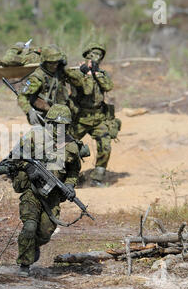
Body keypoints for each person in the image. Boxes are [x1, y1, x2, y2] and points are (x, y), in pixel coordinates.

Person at [10, 104, 81, 277]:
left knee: (46, 232)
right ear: (49, 123)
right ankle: (24, 266)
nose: (59, 129)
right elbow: (14, 157)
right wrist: (29, 168)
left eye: (63, 125)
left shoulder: (71, 146)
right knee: (29, 226)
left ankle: (32, 247)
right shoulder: (35, 136)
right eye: (55, 125)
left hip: (53, 195)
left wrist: (70, 186)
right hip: (31, 190)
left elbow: (73, 171)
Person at [67, 42, 121, 187]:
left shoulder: (101, 74)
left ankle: (97, 177)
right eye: (94, 54)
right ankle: (69, 176)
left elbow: (108, 86)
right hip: (80, 118)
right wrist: (86, 74)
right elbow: (86, 90)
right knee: (68, 146)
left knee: (105, 146)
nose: (97, 57)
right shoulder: (77, 72)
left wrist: (96, 74)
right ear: (87, 55)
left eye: (100, 55)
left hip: (98, 118)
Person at [16, 44, 71, 126]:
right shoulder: (37, 77)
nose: (55, 65)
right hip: (44, 116)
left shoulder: (59, 71)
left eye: (56, 62)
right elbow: (21, 96)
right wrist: (30, 111)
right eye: (51, 63)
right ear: (45, 62)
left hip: (60, 115)